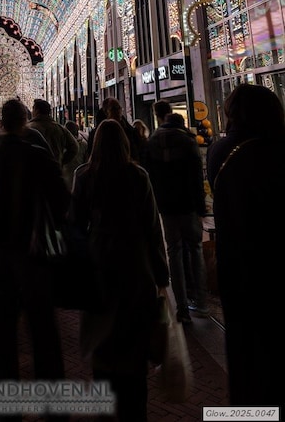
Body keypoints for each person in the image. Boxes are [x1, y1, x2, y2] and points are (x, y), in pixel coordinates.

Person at [0, 98, 70, 402]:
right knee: (44, 339)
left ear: (2, 122)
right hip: (35, 262)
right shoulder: (39, 158)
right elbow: (63, 206)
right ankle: (53, 406)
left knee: (2, 344)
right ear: (24, 121)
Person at [71, 119, 169, 422]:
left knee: (102, 343)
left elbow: (75, 226)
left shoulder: (85, 176)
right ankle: (134, 409)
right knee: (134, 342)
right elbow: (153, 227)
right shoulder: (138, 176)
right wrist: (161, 274)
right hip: (135, 266)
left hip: (99, 264)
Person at [207, 83, 285, 406]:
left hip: (234, 266)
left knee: (242, 352)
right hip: (273, 265)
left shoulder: (218, 151)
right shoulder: (275, 152)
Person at [146, 111, 208, 324]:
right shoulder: (188, 141)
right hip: (188, 205)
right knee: (196, 249)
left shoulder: (152, 141)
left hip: (166, 207)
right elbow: (197, 177)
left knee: (174, 252)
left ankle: (181, 306)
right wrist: (201, 209)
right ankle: (201, 301)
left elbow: (150, 175)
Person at [29, 98, 79, 171]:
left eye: (33, 109)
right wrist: (61, 160)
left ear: (37, 110)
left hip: (33, 171)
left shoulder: (29, 128)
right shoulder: (59, 128)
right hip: (55, 170)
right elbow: (74, 147)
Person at [62, 120, 88, 189]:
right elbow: (86, 162)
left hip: (65, 182)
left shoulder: (62, 145)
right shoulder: (84, 144)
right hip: (79, 180)